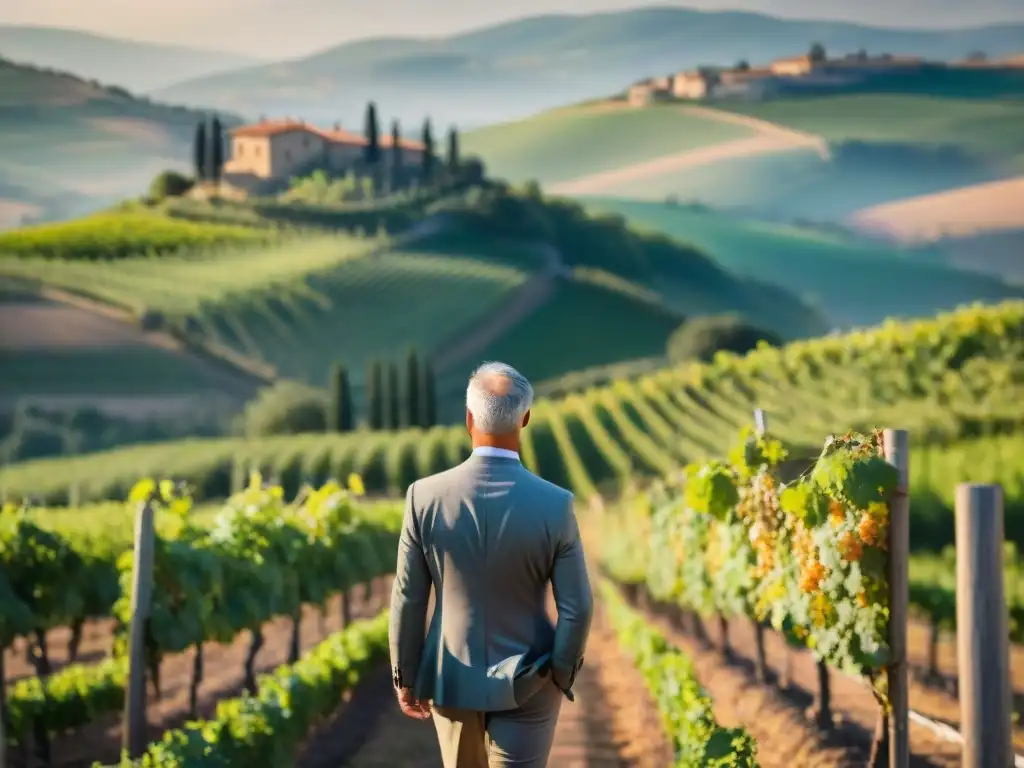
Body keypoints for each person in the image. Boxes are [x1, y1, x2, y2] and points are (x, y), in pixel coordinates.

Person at [388, 361, 594, 768]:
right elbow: (578, 606)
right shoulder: (556, 504)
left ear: (468, 419)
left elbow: (409, 598)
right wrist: (560, 673)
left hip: (451, 677)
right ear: (525, 419)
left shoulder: (423, 497)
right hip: (531, 678)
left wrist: (405, 675)